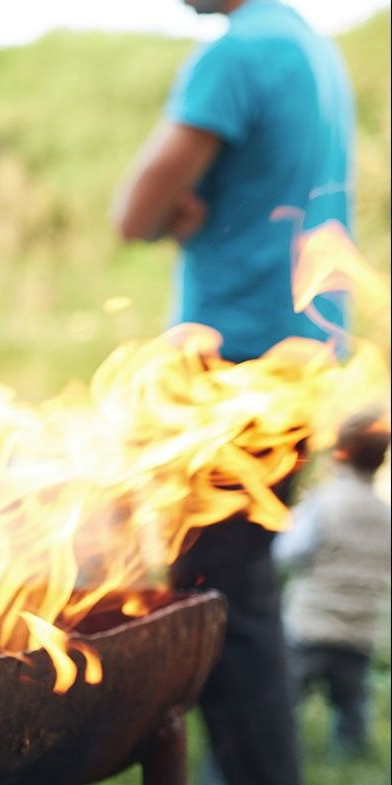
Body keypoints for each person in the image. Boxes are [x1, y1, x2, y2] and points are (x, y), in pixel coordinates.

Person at [112, 2, 355, 783]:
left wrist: (174, 214)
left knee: (218, 607)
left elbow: (136, 209)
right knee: (241, 597)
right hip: (296, 357)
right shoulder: (309, 48)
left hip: (230, 369)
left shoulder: (234, 52)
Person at [276, 410, 392, 761]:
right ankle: (349, 765)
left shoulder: (322, 503)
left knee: (284, 700)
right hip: (360, 627)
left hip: (311, 624)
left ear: (340, 452)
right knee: (351, 706)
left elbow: (288, 551)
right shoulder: (385, 513)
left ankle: (279, 754)